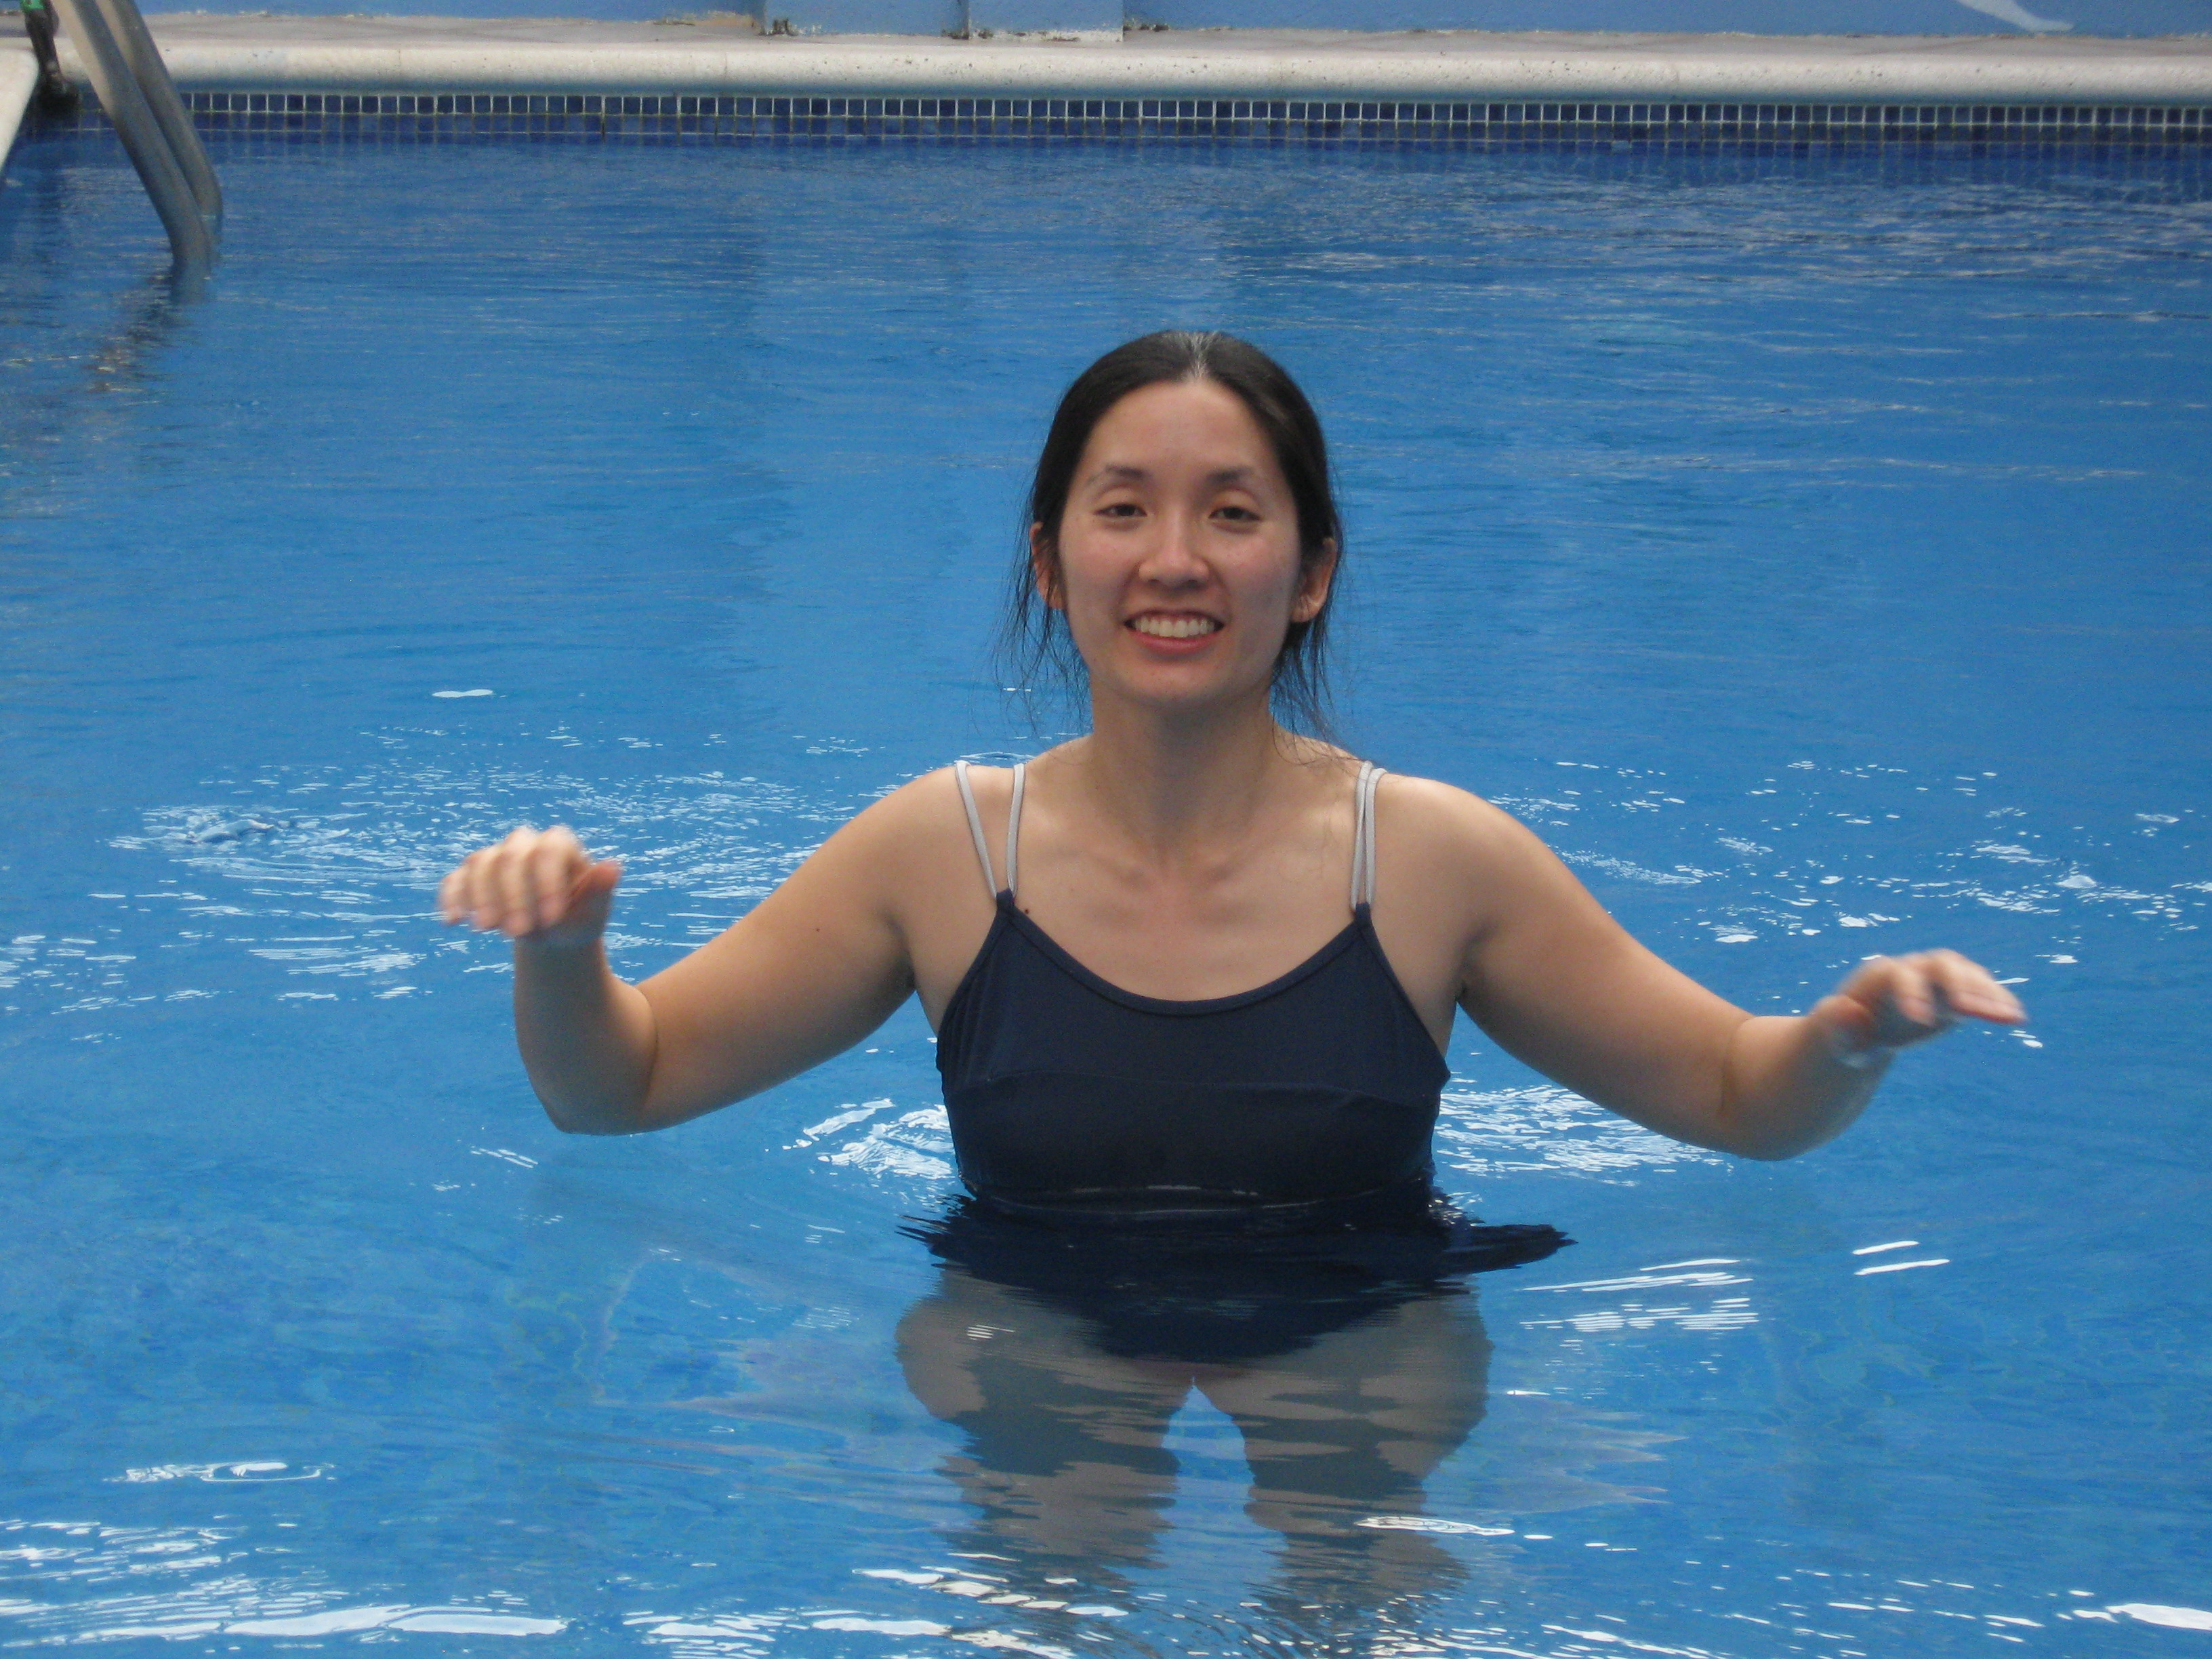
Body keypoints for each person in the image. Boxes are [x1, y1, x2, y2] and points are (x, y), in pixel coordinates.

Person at [437, 329, 2025, 1229]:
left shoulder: (1433, 862)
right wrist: (566, 958)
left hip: (1365, 1331)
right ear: (1051, 563)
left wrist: (1847, 1037)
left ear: (1312, 570)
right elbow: (618, 1089)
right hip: (1031, 1331)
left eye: (1235, 514)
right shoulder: (942, 852)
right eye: (1123, 508)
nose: (1176, 560)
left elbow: (1741, 1099)